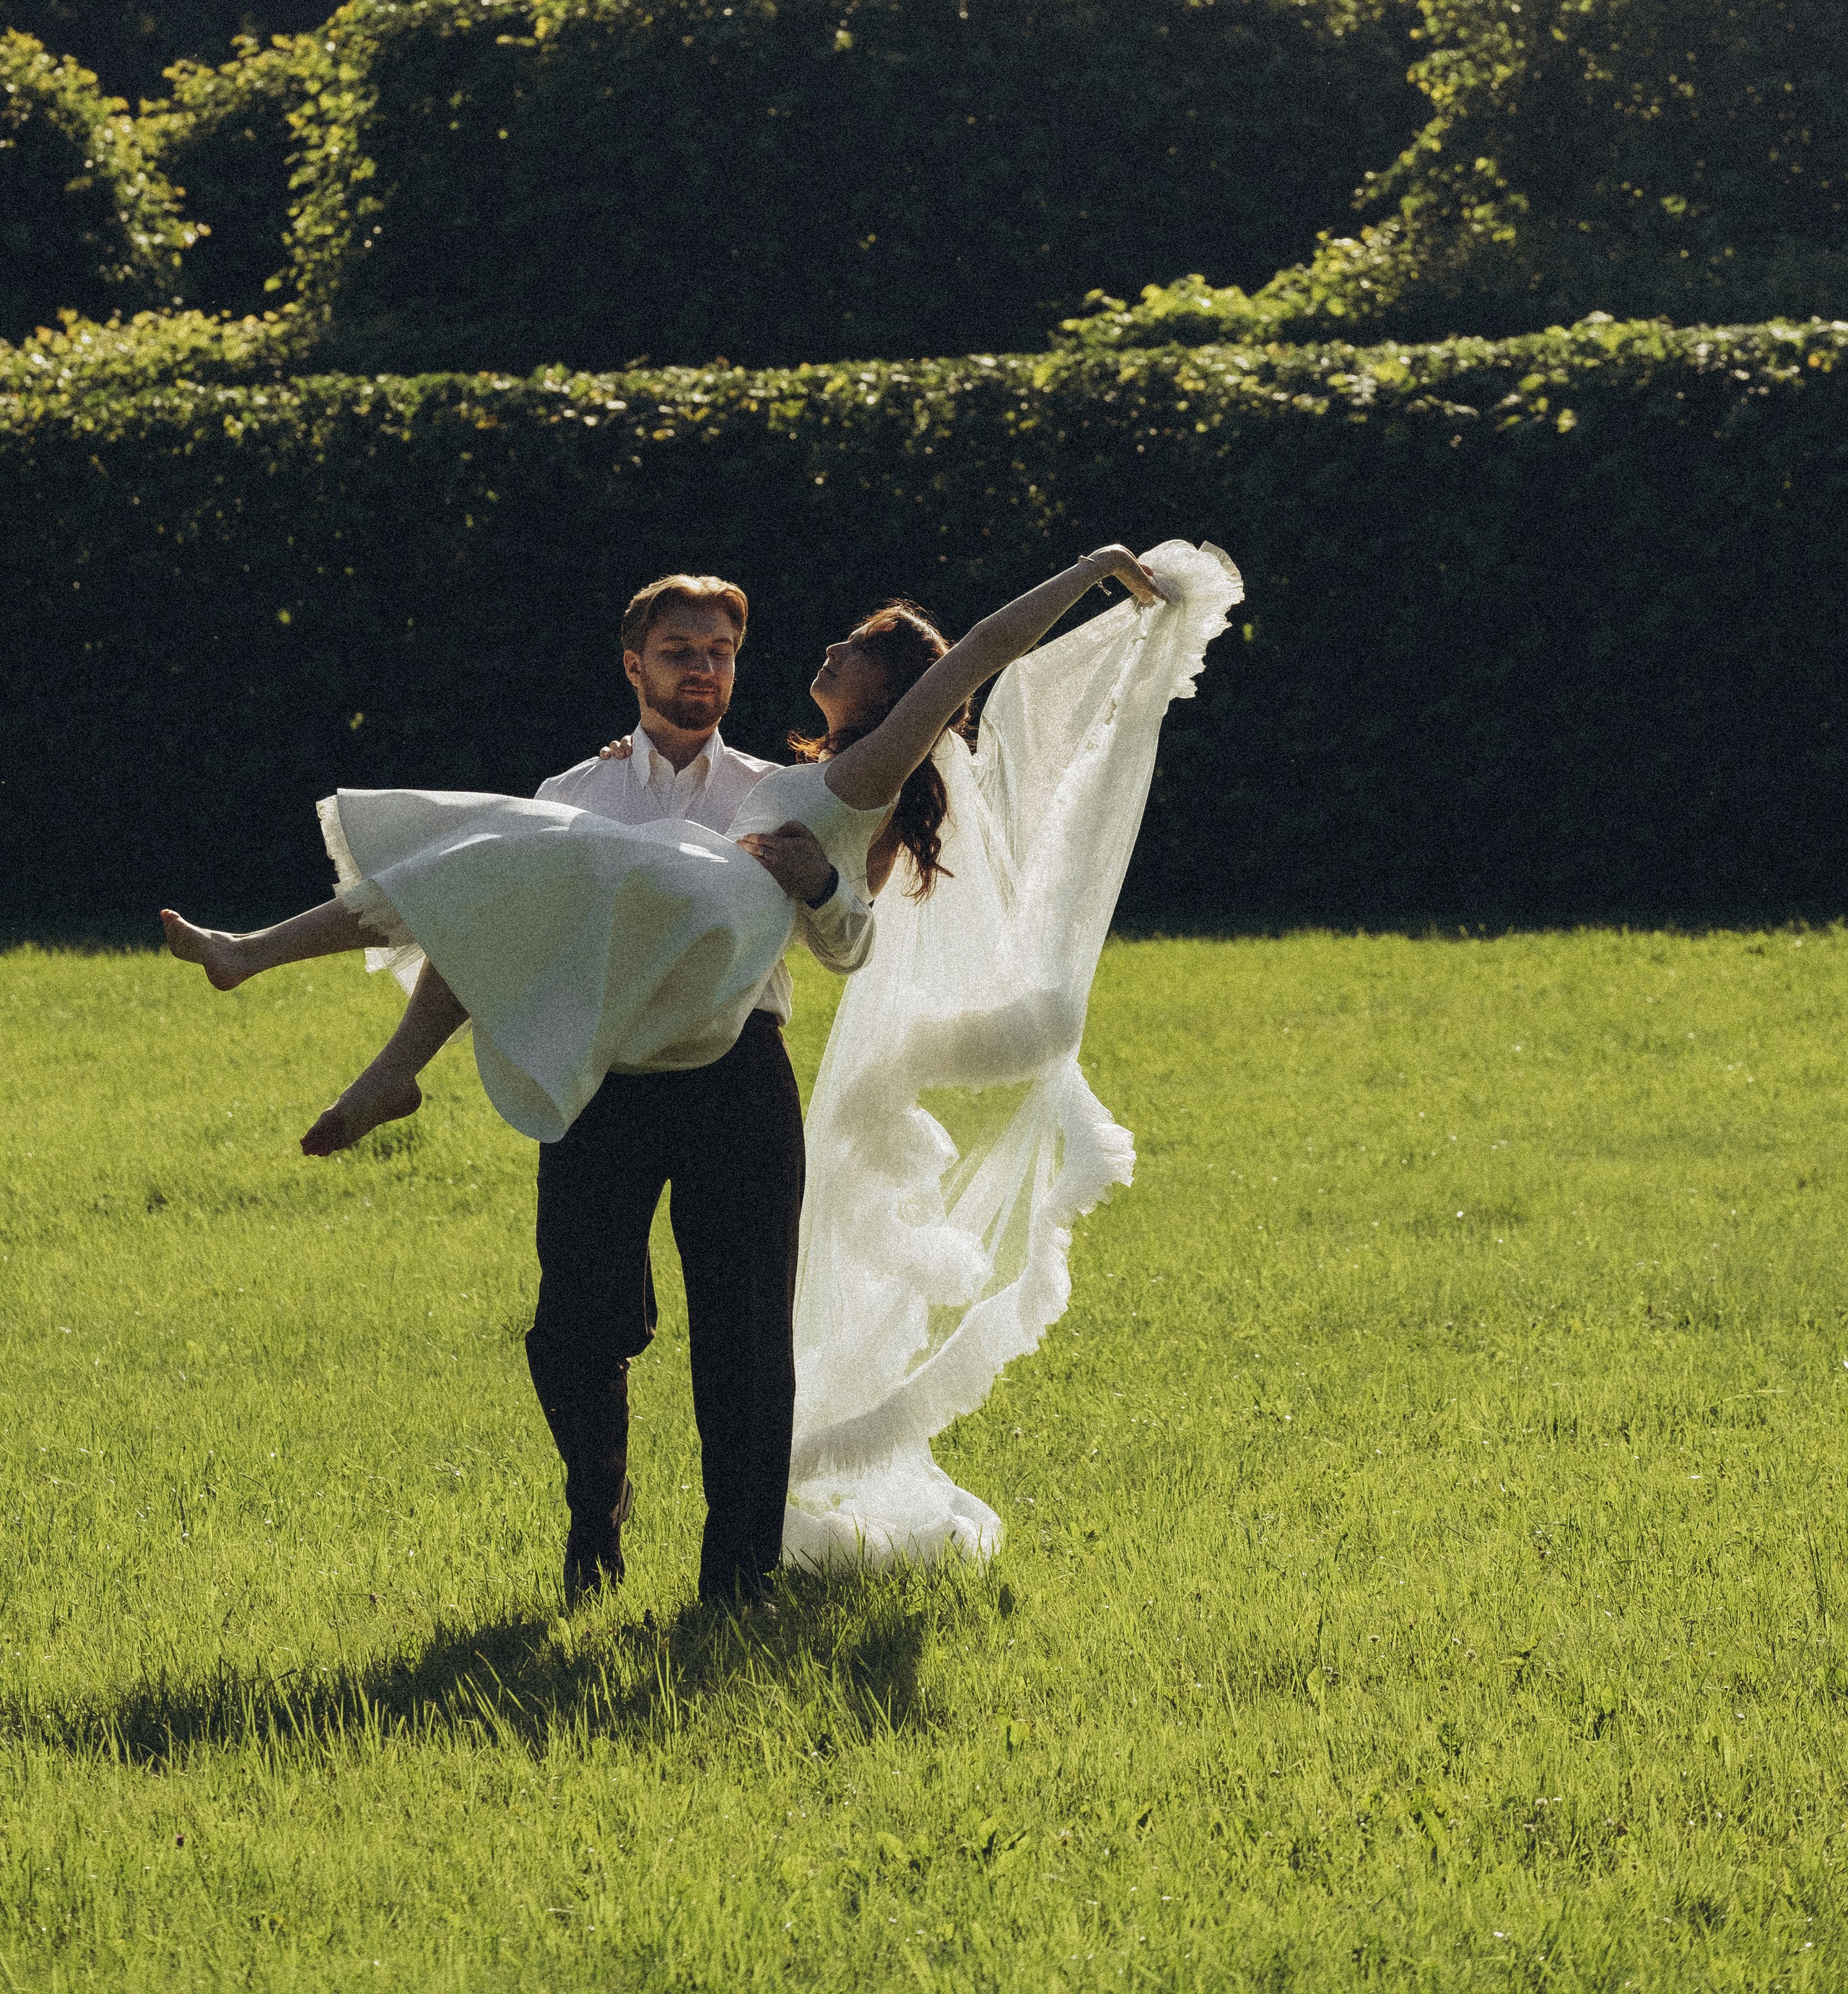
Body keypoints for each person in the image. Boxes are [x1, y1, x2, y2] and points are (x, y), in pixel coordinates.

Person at [161, 542, 1169, 1603]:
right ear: (634, 666)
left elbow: (856, 935)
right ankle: (596, 1507)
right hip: (608, 1083)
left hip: (736, 1075)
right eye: (682, 651)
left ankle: (737, 1585)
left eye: (724, 651)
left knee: (743, 1343)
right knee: (576, 1333)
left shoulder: (798, 785)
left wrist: (825, 884)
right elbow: (495, 942)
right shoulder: (576, 790)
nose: (708, 668)